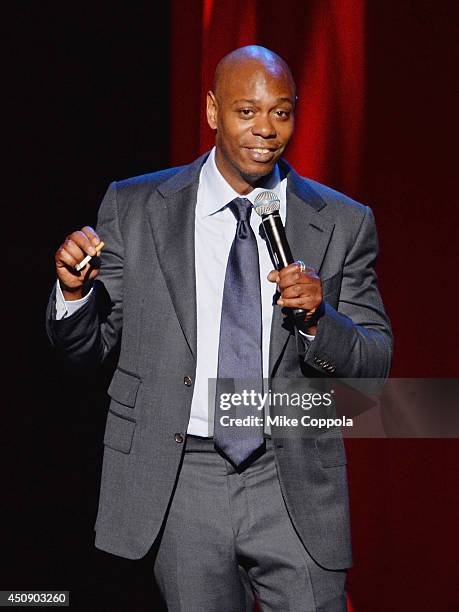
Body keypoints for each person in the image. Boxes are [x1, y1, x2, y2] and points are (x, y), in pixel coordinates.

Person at [47, 45, 392, 611]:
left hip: (292, 477)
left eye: (281, 112)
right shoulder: (136, 206)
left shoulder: (342, 221)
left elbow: (375, 363)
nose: (266, 130)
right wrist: (75, 293)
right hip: (182, 475)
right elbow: (86, 349)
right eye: (246, 111)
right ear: (211, 111)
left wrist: (317, 321)